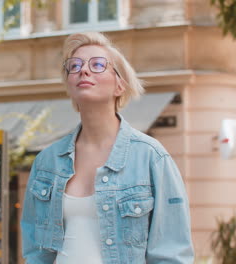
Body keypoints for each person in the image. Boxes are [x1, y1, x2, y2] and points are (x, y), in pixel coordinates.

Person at [21, 32, 194, 264]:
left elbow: (171, 254)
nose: (84, 70)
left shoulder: (150, 157)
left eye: (98, 65)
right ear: (69, 84)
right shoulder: (46, 162)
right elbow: (36, 253)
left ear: (119, 85)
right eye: (75, 65)